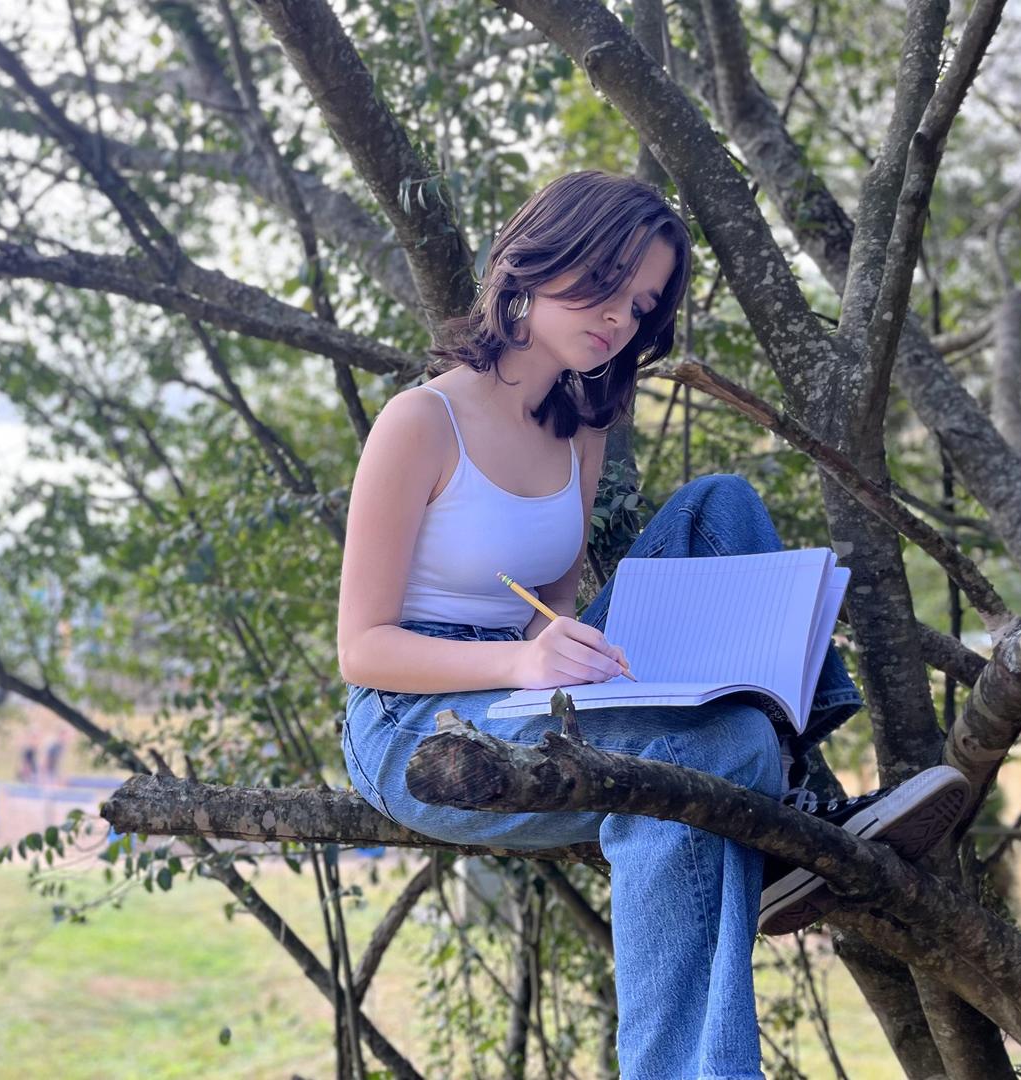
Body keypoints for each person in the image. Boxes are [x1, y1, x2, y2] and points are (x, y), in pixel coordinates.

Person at [336, 170, 968, 1078]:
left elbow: (549, 606)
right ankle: (751, 884)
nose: (619, 321)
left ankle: (788, 789)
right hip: (413, 721)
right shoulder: (420, 422)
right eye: (607, 284)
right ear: (536, 260)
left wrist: (561, 655)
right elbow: (362, 649)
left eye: (640, 307)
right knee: (714, 750)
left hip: (527, 681)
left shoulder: (579, 430)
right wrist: (522, 665)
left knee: (722, 506)